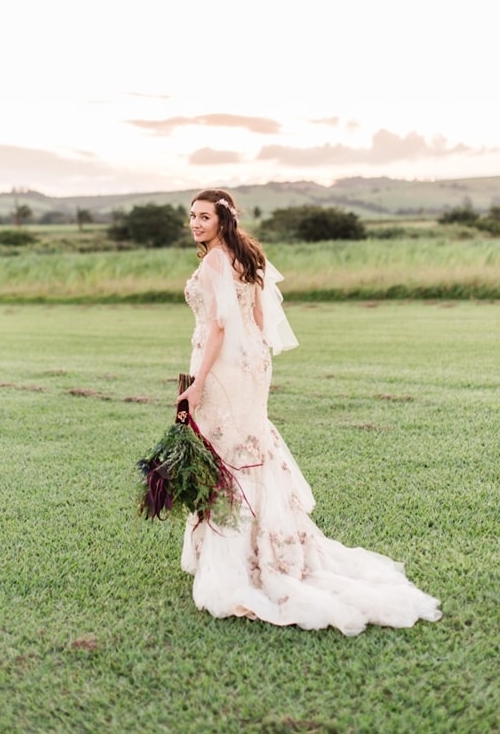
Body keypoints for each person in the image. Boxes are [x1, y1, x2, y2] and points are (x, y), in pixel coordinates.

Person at [176, 188, 441, 634]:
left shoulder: (216, 261)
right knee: (248, 447)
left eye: (203, 216)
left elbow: (220, 327)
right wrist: (252, 366)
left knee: (227, 453)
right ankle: (270, 547)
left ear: (222, 220)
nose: (195, 223)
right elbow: (259, 324)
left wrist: (199, 383)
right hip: (249, 366)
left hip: (220, 366)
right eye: (191, 216)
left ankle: (238, 559)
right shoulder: (247, 256)